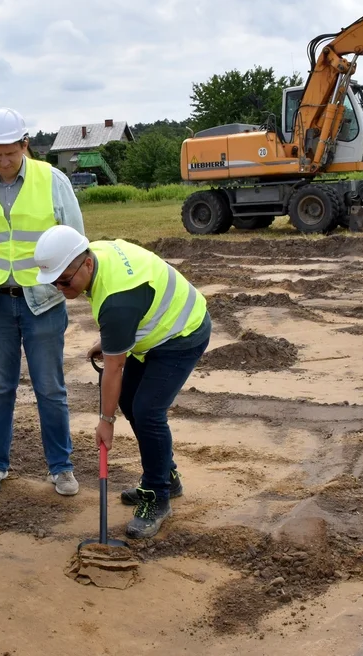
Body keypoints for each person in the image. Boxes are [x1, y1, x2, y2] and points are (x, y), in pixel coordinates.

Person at [33, 225, 212, 538]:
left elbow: (114, 368)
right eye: (54, 283)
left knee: (147, 411)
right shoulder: (96, 258)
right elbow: (126, 320)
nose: (61, 288)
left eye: (65, 280)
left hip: (183, 333)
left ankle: (158, 496)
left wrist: (106, 421)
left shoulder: (117, 301)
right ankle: (167, 475)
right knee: (130, 401)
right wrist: (115, 340)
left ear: (86, 263)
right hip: (155, 329)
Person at [0, 108, 85, 497]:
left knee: (50, 389)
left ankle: (61, 467)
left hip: (43, 302)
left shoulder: (54, 180)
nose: (2, 162)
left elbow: (76, 241)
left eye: (9, 153)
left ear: (24, 145)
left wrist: (70, 285)